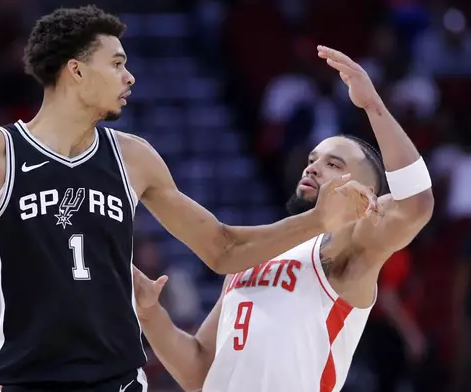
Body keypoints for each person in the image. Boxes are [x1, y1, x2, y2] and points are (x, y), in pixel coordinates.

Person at [0, 7, 378, 392]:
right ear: (76, 70)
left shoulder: (134, 157)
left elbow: (221, 249)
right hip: (22, 379)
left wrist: (317, 220)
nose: (130, 76)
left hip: (119, 382)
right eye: (117, 63)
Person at [133, 45, 434, 392]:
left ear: (367, 194)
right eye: (313, 158)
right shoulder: (255, 252)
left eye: (334, 164)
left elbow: (416, 202)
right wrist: (150, 315)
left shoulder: (351, 247)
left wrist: (373, 106)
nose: (314, 166)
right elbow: (201, 369)